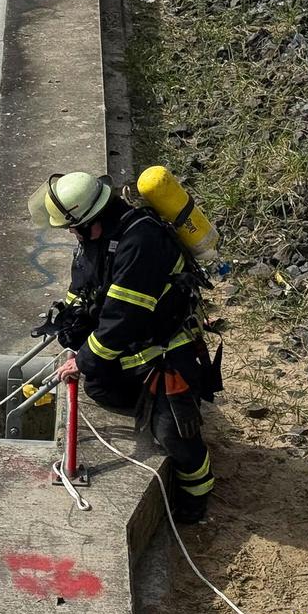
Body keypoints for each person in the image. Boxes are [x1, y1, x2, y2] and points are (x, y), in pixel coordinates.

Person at [29, 172, 221, 524]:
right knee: (99, 386)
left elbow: (123, 318)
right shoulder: (96, 238)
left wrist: (84, 359)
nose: (71, 235)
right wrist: (69, 324)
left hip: (168, 351)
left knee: (173, 434)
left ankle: (196, 497)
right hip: (136, 344)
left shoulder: (141, 242)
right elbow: (84, 287)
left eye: (72, 228)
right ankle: (155, 400)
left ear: (91, 220)